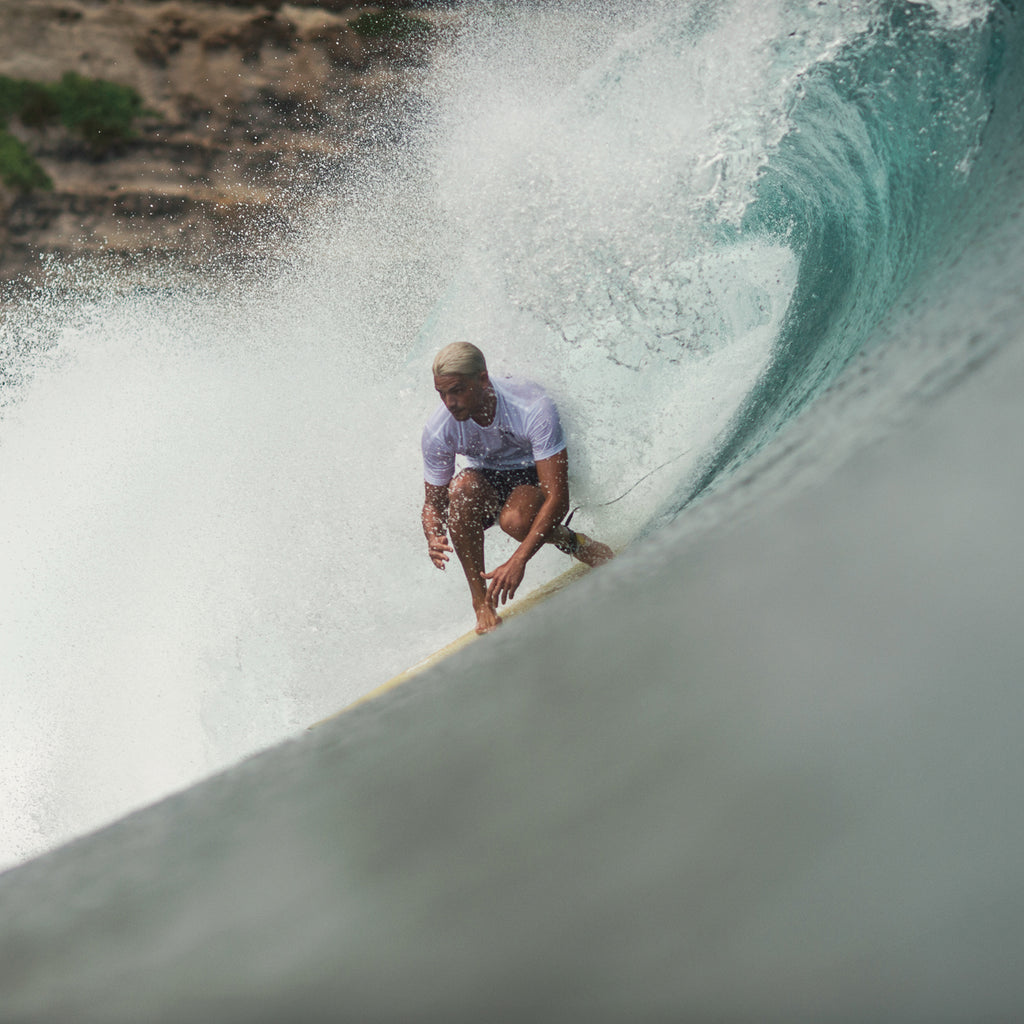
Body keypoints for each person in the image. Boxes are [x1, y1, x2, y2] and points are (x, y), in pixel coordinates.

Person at [422, 342, 613, 634]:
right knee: (461, 490)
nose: (449, 402)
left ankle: (574, 542)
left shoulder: (531, 406)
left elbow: (558, 498)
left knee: (516, 522)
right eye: (442, 393)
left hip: (534, 472)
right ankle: (481, 603)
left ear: (482, 379)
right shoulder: (440, 428)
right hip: (487, 477)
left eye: (457, 390)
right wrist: (433, 534)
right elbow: (434, 504)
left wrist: (517, 561)